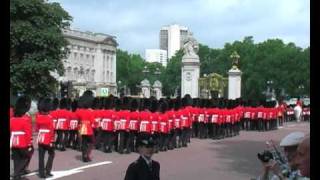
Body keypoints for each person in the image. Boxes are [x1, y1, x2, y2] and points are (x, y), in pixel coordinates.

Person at [10, 96, 33, 180]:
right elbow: (28, 134)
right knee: (26, 157)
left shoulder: (12, 119)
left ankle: (17, 176)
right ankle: (16, 174)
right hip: (23, 142)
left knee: (16, 159)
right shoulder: (25, 119)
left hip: (13, 142)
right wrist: (29, 144)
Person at [36, 97, 55, 178]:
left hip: (40, 138)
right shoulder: (50, 118)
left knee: (41, 157)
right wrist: (51, 140)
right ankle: (48, 170)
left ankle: (41, 173)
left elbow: (37, 129)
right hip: (48, 139)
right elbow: (51, 130)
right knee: (52, 154)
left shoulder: (38, 117)